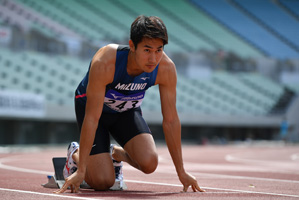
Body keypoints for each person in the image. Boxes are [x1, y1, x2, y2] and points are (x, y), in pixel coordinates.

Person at [55, 15, 205, 194]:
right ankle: (75, 155)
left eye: (159, 50)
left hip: (126, 110)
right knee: (103, 182)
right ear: (132, 45)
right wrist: (81, 171)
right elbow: (92, 118)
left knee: (150, 163)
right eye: (147, 50)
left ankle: (115, 154)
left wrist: (182, 172)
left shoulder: (165, 68)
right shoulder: (106, 61)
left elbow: (171, 121)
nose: (153, 58)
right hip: (94, 112)